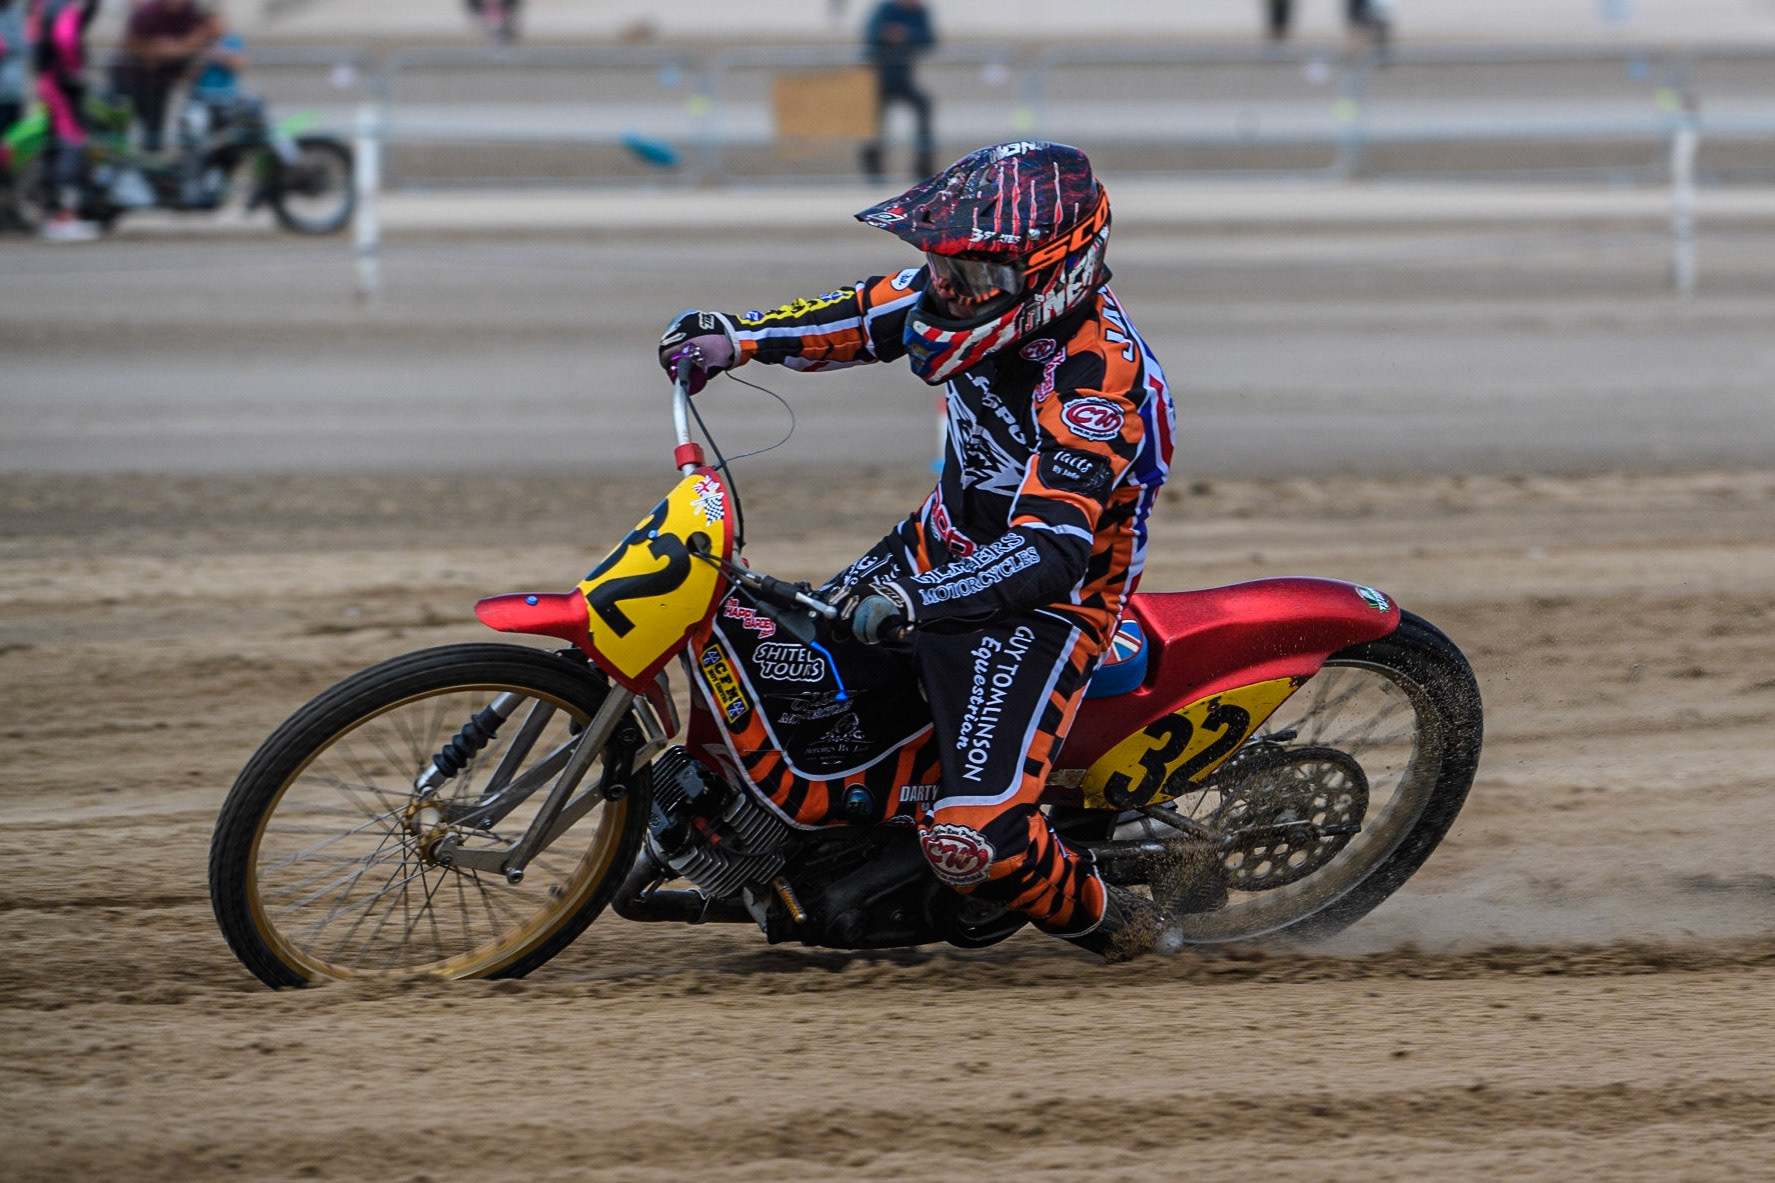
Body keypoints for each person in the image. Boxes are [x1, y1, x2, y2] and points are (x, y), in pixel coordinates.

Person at [657, 142, 1187, 961]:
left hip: (1045, 606)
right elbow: (860, 315)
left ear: (1055, 274)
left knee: (979, 841)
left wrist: (916, 600)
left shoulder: (1097, 384)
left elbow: (1048, 550)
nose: (947, 286)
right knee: (802, 683)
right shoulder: (958, 294)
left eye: (971, 273)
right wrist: (736, 338)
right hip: (938, 544)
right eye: (942, 264)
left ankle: (1131, 928)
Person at [28, 0, 101, 241]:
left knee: (59, 147)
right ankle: (61, 217)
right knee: (69, 145)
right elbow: (65, 38)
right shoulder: (63, 5)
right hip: (60, 86)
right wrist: (76, 69)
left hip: (50, 83)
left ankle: (60, 216)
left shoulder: (45, 5)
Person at [114, 0, 220, 153]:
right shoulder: (148, 12)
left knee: (154, 132)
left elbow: (202, 38)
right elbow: (131, 43)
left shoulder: (191, 13)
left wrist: (170, 50)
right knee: (121, 124)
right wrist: (173, 48)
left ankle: (150, 159)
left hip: (160, 83)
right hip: (130, 78)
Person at [859, 0, 936, 183]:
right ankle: (874, 171)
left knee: (924, 107)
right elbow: (871, 34)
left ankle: (923, 168)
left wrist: (906, 34)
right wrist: (888, 35)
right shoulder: (885, 9)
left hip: (903, 79)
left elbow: (928, 39)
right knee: (874, 125)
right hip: (878, 79)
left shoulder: (919, 12)